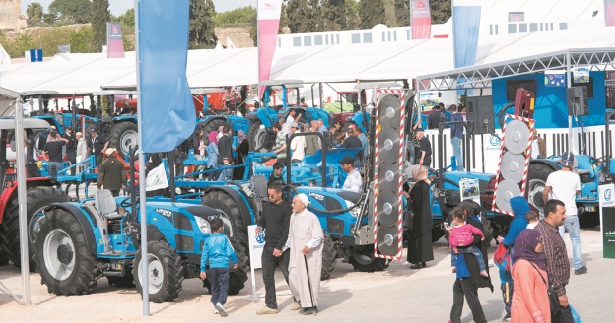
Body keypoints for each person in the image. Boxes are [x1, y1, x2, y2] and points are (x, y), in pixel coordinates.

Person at [542, 152, 587, 275]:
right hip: (571, 212)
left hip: (556, 213)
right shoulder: (575, 177)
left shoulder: (552, 175)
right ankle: (578, 267)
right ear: (572, 163)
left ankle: (557, 266)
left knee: (557, 239)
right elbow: (578, 192)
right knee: (575, 239)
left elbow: (545, 193)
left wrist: (547, 205)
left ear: (561, 162)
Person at [449, 200, 493, 323]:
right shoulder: (475, 223)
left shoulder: (471, 225)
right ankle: (454, 319)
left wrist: (458, 240)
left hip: (466, 264)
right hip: (468, 263)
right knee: (458, 289)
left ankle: (481, 320)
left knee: (470, 294)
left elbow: (471, 241)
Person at [255, 182, 294, 315]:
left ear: (279, 193)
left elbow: (287, 231)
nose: (269, 197)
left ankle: (300, 300)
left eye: (272, 195)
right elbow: (263, 220)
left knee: (290, 275)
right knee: (267, 276)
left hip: (283, 248)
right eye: (268, 194)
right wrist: (260, 226)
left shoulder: (287, 209)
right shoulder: (267, 207)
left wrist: (279, 247)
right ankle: (271, 305)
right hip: (268, 247)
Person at [535, 199, 574, 323]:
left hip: (555, 289)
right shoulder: (545, 235)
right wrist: (560, 293)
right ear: (551, 214)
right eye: (562, 213)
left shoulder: (550, 229)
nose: (565, 216)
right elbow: (550, 268)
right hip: (553, 291)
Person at [284, 194, 323, 316]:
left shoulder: (312, 218)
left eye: (295, 203)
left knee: (310, 279)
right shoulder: (293, 217)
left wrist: (308, 246)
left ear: (303, 204)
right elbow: (291, 236)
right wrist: (282, 248)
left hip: (308, 255)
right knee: (293, 277)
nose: (292, 205)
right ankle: (303, 301)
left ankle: (312, 305)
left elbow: (318, 236)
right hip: (296, 254)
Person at [497, 196, 531, 322]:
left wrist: (501, 239)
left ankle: (510, 311)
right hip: (529, 258)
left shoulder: (517, 222)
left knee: (507, 282)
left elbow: (508, 241)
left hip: (516, 258)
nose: (511, 209)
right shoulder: (531, 220)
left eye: (512, 206)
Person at [199, 218, 238, 317]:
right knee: (224, 286)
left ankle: (215, 306)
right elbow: (231, 251)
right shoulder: (224, 238)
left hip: (213, 267)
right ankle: (220, 302)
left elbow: (204, 255)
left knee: (214, 286)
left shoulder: (208, 240)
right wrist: (235, 261)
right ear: (221, 228)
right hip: (223, 266)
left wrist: (202, 269)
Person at [511, 229, 550, 323]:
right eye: (539, 240)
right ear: (529, 242)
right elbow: (528, 295)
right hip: (528, 315)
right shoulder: (524, 265)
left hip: (538, 310)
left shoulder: (535, 260)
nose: (542, 243)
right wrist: (539, 318)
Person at [407, 164, 434, 269]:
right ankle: (423, 261)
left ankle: (417, 261)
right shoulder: (426, 184)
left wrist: (409, 198)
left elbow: (416, 203)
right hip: (426, 215)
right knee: (424, 238)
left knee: (416, 239)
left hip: (418, 216)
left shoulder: (418, 186)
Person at [447, 209, 488, 277]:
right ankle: (482, 269)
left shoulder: (453, 230)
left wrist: (452, 247)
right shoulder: (468, 226)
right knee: (479, 254)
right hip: (470, 248)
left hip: (459, 249)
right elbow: (477, 231)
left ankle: (454, 266)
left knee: (452, 252)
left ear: (455, 220)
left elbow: (451, 239)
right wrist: (482, 235)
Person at [449, 104, 464, 170]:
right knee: (459, 152)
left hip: (455, 136)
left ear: (450, 110)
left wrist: (452, 136)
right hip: (460, 135)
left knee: (456, 153)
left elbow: (453, 127)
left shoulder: (452, 116)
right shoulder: (460, 115)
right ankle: (458, 167)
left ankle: (460, 168)